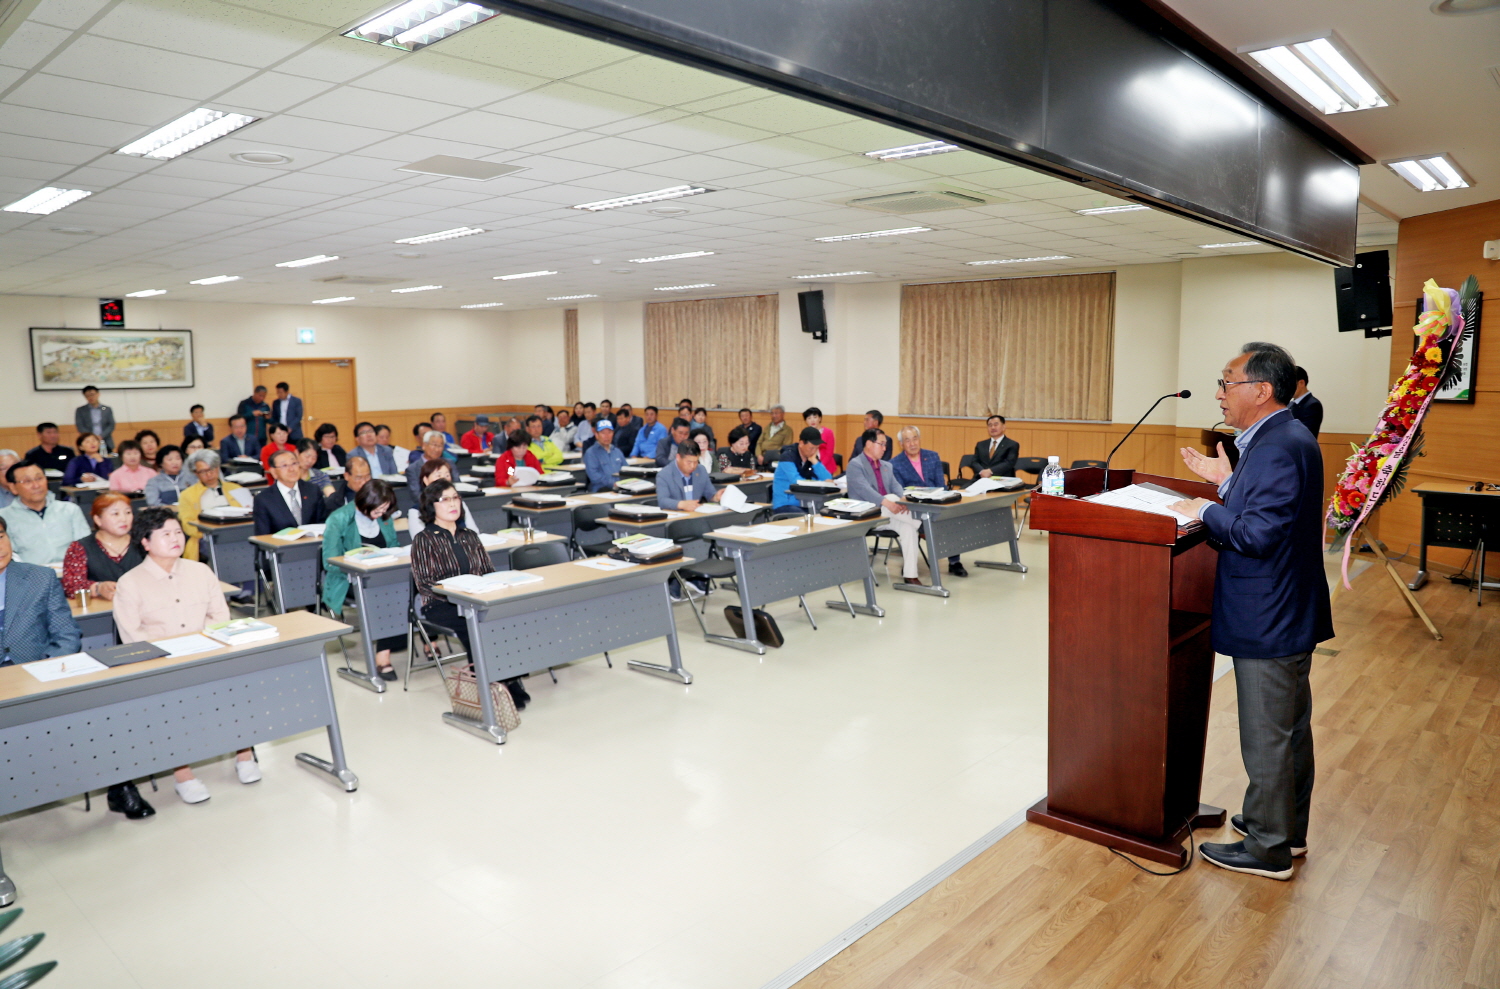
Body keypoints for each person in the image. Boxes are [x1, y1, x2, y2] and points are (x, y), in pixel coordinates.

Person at [1168, 342, 1333, 882]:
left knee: (1268, 733)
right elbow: (1266, 510)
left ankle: (1268, 849)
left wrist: (1208, 508)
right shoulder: (1277, 438)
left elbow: (1258, 535)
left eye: (1227, 382)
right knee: (1288, 730)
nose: (1219, 393)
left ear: (1261, 390)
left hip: (1271, 612)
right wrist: (1229, 483)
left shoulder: (1279, 444)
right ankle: (1284, 827)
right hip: (1284, 607)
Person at [113, 506, 258, 803]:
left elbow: (220, 617)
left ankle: (244, 753)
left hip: (206, 655)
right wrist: (172, 659)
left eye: (178, 531)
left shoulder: (200, 571)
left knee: (237, 686)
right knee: (169, 704)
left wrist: (203, 648)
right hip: (162, 666)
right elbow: (133, 636)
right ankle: (182, 773)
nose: (175, 538)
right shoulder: (130, 582)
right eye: (165, 534)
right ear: (146, 542)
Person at [410, 479, 529, 709]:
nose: (453, 503)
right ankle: (491, 685)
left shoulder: (469, 535)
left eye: (456, 498)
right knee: (475, 625)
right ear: (430, 506)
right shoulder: (424, 540)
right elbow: (426, 584)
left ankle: (508, 677)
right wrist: (461, 593)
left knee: (504, 617)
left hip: (476, 600)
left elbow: (488, 571)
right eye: (445, 499)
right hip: (440, 604)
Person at [322, 479, 403, 680]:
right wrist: (357, 565)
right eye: (377, 510)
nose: (380, 514)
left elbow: (394, 546)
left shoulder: (384, 518)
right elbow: (329, 561)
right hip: (347, 579)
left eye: (384, 510)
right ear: (364, 503)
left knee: (404, 588)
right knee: (385, 595)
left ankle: (421, 641)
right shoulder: (339, 518)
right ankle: (383, 656)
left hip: (382, 576)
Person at [847, 429, 925, 586]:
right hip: (868, 514)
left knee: (908, 529)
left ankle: (911, 576)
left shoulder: (886, 465)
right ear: (869, 444)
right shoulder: (855, 465)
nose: (884, 448)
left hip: (890, 514)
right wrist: (888, 501)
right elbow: (865, 490)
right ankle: (925, 526)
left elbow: (897, 487)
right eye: (881, 444)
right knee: (890, 498)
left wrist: (903, 500)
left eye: (885, 445)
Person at [891, 425, 966, 577]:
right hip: (915, 508)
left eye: (915, 439)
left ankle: (954, 562)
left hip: (937, 503)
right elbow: (900, 491)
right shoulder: (895, 463)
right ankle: (910, 563)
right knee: (916, 525)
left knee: (953, 519)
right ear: (901, 444)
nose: (912, 443)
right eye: (907, 440)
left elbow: (942, 486)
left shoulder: (932, 456)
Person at [62, 492, 143, 601]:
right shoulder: (79, 547)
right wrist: (98, 588)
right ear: (98, 520)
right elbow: (70, 586)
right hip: (103, 612)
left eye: (128, 512)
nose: (124, 519)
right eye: (115, 514)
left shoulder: (143, 542)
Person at [178, 450, 248, 567]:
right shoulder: (187, 495)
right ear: (196, 473)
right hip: (206, 538)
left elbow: (250, 514)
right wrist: (210, 531)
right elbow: (187, 525)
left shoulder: (236, 488)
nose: (209, 474)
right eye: (203, 471)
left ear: (218, 467)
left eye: (212, 469)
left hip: (237, 534)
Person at [253, 449, 331, 535]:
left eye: (294, 463)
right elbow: (262, 538)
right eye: (284, 465)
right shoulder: (263, 499)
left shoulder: (313, 490)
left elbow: (323, 524)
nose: (291, 469)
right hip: (282, 547)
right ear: (274, 472)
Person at [407, 458, 477, 535]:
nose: (444, 479)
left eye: (447, 475)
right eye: (438, 475)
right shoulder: (416, 511)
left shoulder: (459, 503)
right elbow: (419, 542)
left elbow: (474, 533)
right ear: (426, 480)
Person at [772, 427, 833, 512]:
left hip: (807, 503)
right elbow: (796, 481)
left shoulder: (811, 458)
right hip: (785, 504)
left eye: (817, 448)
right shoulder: (787, 457)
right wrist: (816, 484)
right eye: (811, 448)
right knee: (807, 518)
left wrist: (815, 462)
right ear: (801, 443)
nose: (814, 451)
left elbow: (828, 479)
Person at [657, 441, 724, 512]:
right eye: (689, 462)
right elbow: (662, 501)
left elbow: (709, 494)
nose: (692, 466)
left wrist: (716, 497)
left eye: (695, 462)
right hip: (677, 517)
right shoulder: (664, 474)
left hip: (696, 515)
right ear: (678, 457)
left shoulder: (701, 470)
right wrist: (682, 504)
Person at [582, 419, 626, 492]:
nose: (607, 436)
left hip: (621, 488)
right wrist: (614, 484)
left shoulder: (617, 451)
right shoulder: (591, 453)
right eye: (603, 433)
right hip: (601, 490)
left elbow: (626, 470)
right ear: (596, 435)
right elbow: (595, 477)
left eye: (609, 432)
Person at [407, 430, 448, 498]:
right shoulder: (413, 469)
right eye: (434, 445)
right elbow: (416, 495)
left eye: (440, 446)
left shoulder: (448, 464)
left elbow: (457, 487)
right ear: (424, 445)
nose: (437, 449)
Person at [74, 386, 115, 454]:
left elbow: (111, 425)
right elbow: (80, 426)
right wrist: (93, 437)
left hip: (105, 441)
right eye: (87, 396)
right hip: (88, 443)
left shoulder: (106, 409)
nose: (90, 397)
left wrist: (101, 436)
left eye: (92, 394)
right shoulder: (80, 410)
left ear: (98, 394)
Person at [1289, 366, 1323, 438]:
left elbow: (1305, 434)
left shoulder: (1313, 405)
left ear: (1301, 383)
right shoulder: (1290, 404)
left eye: (1289, 384)